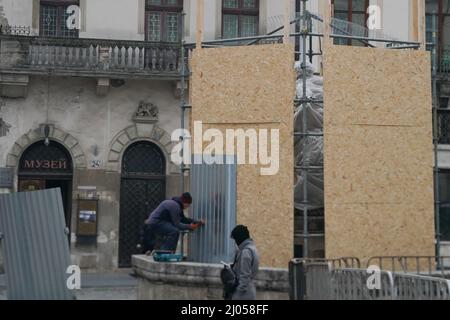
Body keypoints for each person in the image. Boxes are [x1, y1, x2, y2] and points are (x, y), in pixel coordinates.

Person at [229, 225, 259, 300]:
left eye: (236, 239)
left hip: (244, 295)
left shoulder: (246, 252)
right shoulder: (252, 248)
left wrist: (236, 295)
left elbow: (244, 277)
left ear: (239, 238)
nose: (236, 242)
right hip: (249, 291)